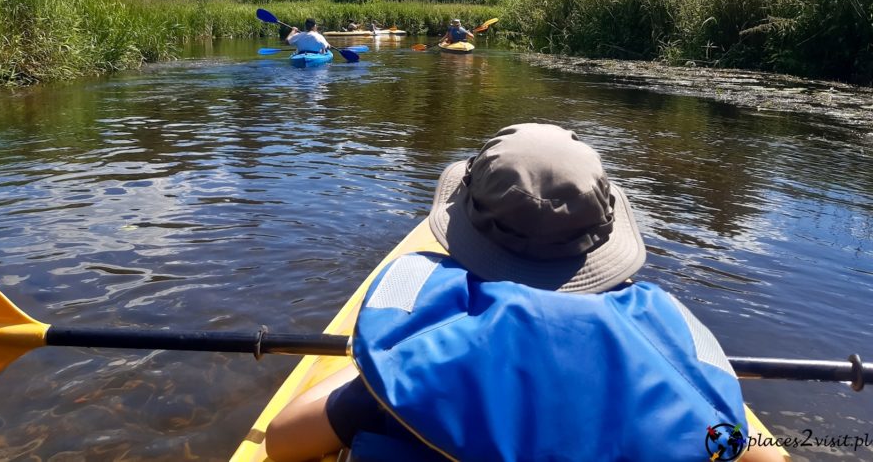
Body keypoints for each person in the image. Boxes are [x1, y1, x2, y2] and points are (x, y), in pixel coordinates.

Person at [266, 124, 784, 462]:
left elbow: (284, 441)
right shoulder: (675, 354)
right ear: (603, 237)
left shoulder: (417, 362)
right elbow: (756, 452)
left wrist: (368, 371)